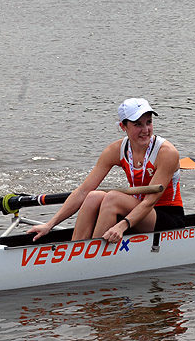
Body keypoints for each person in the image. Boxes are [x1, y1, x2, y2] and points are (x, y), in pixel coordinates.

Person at [28, 98, 184, 243]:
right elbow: (83, 191)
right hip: (137, 211)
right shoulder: (115, 150)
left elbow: (150, 201)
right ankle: (76, 248)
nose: (146, 130)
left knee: (113, 198)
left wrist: (121, 226)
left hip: (167, 217)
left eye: (148, 122)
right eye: (138, 124)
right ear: (123, 126)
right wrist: (50, 224)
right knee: (93, 196)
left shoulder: (166, 152)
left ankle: (92, 256)